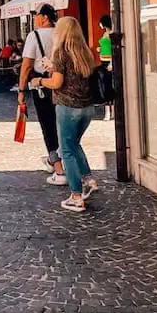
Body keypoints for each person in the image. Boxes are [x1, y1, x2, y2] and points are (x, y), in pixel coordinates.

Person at [28, 16, 100, 213]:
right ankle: (88, 179)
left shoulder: (61, 52)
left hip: (68, 107)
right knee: (74, 144)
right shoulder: (84, 52)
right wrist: (54, 68)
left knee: (66, 149)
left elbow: (57, 83)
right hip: (87, 108)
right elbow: (73, 75)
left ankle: (76, 196)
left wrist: (39, 82)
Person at [17, 4, 66, 185]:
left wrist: (21, 91)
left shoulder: (34, 35)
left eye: (36, 15)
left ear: (44, 17)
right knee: (63, 124)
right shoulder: (61, 33)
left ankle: (58, 168)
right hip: (62, 82)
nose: (35, 18)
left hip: (42, 85)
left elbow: (27, 66)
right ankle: (62, 161)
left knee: (48, 126)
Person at [98, 15, 114, 121]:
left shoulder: (110, 34)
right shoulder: (105, 34)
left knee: (108, 86)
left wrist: (112, 63)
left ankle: (109, 112)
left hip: (108, 62)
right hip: (103, 61)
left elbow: (112, 49)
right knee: (104, 86)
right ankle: (108, 111)